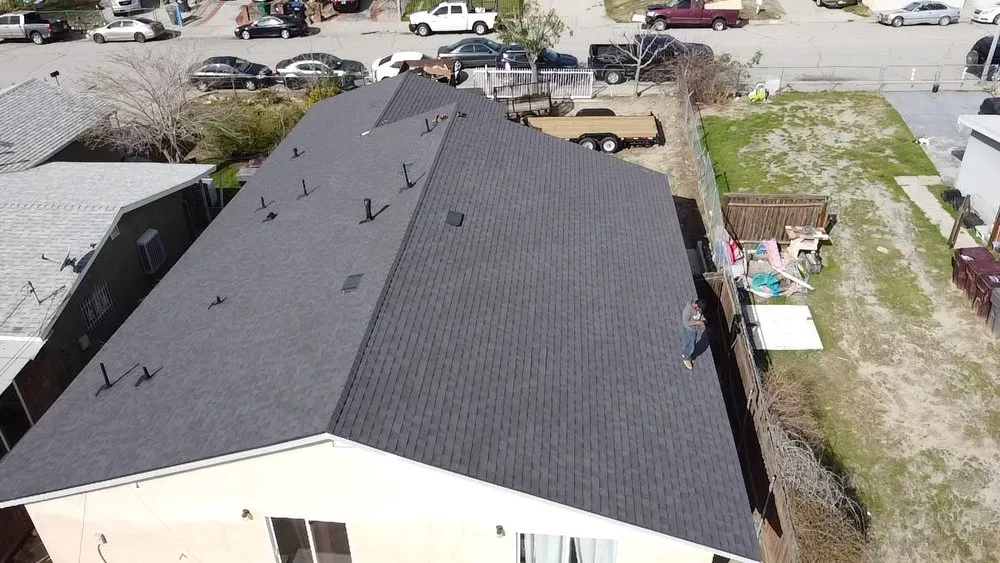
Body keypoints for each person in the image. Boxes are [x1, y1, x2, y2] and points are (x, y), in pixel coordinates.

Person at [681, 298, 707, 369]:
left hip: (695, 329)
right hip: (689, 329)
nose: (700, 309)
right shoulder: (688, 310)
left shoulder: (698, 308)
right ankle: (685, 357)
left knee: (692, 343)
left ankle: (688, 354)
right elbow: (685, 322)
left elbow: (699, 314)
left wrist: (702, 319)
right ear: (696, 305)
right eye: (699, 308)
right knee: (691, 345)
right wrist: (697, 322)